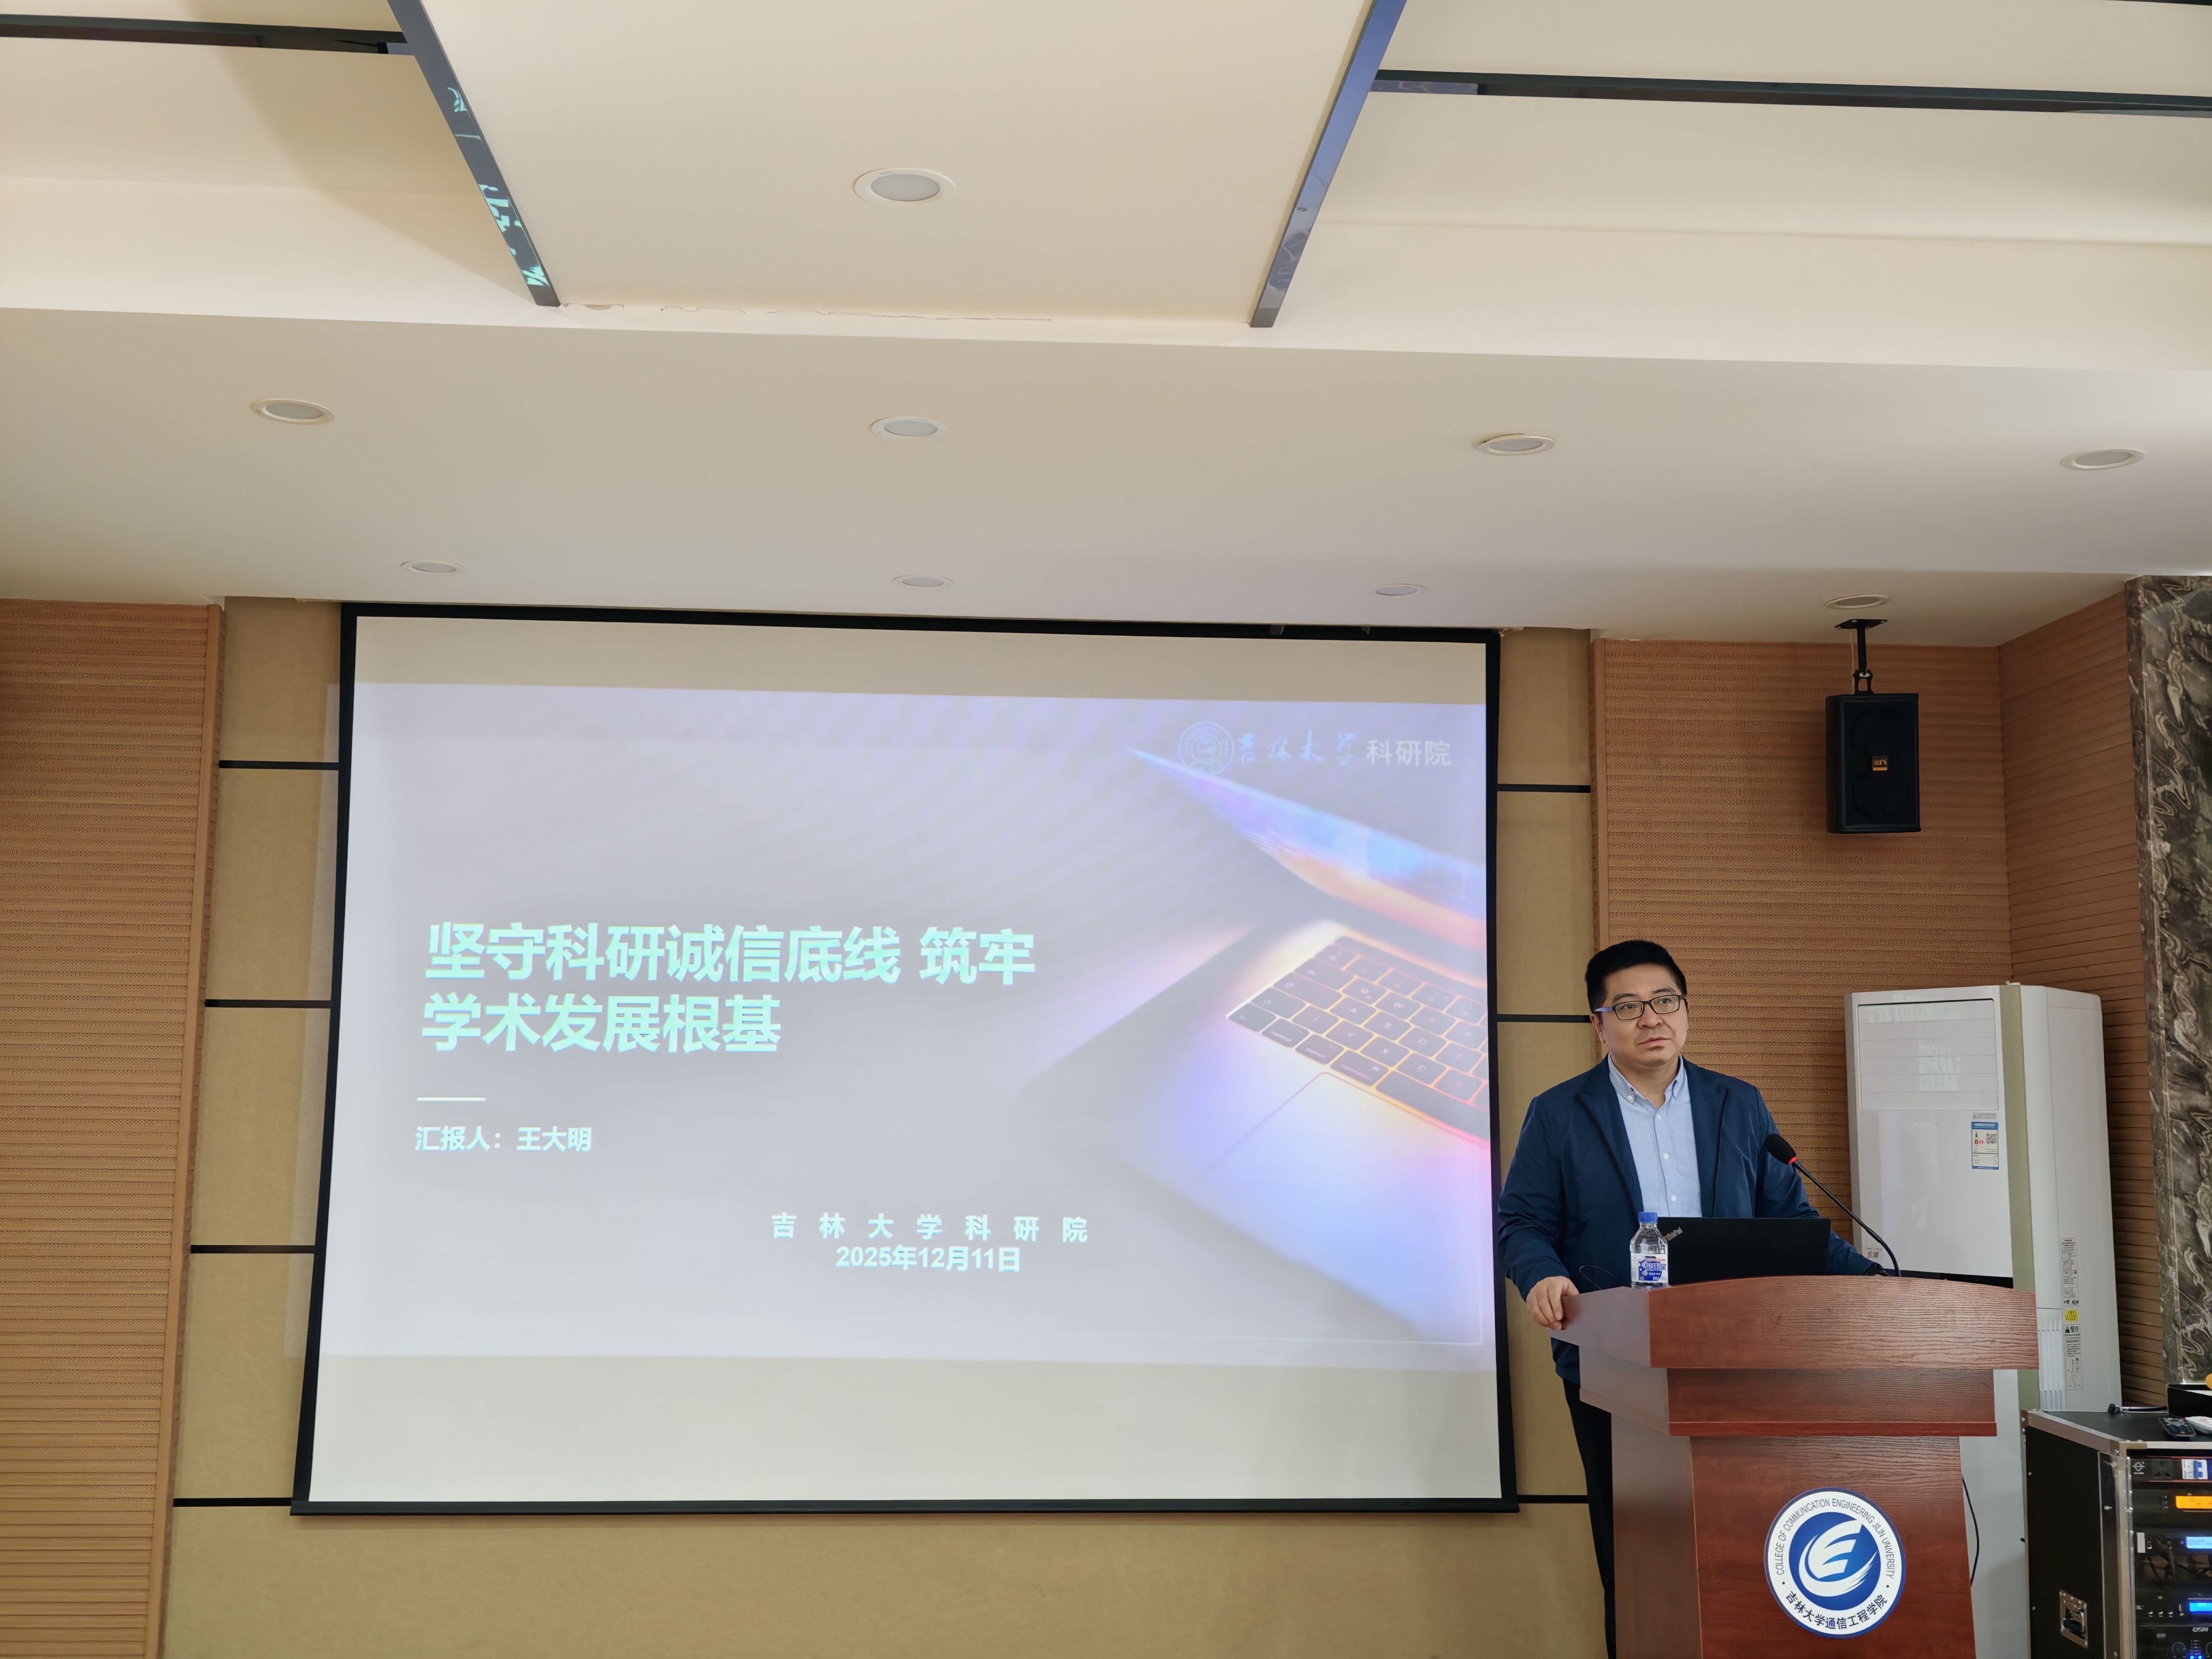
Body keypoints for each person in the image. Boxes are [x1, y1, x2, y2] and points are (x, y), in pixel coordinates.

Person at [1497, 939, 1878, 1658]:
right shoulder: (1559, 1113)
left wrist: (1877, 1285)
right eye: (1628, 1007)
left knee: (1748, 1541)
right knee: (1635, 1550)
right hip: (1614, 1363)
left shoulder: (1739, 1103)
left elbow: (1790, 1226)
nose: (1652, 1019)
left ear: (1686, 1009)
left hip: (1739, 1360)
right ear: (1598, 1023)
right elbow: (1522, 1222)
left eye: (1665, 1001)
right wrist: (1542, 1275)